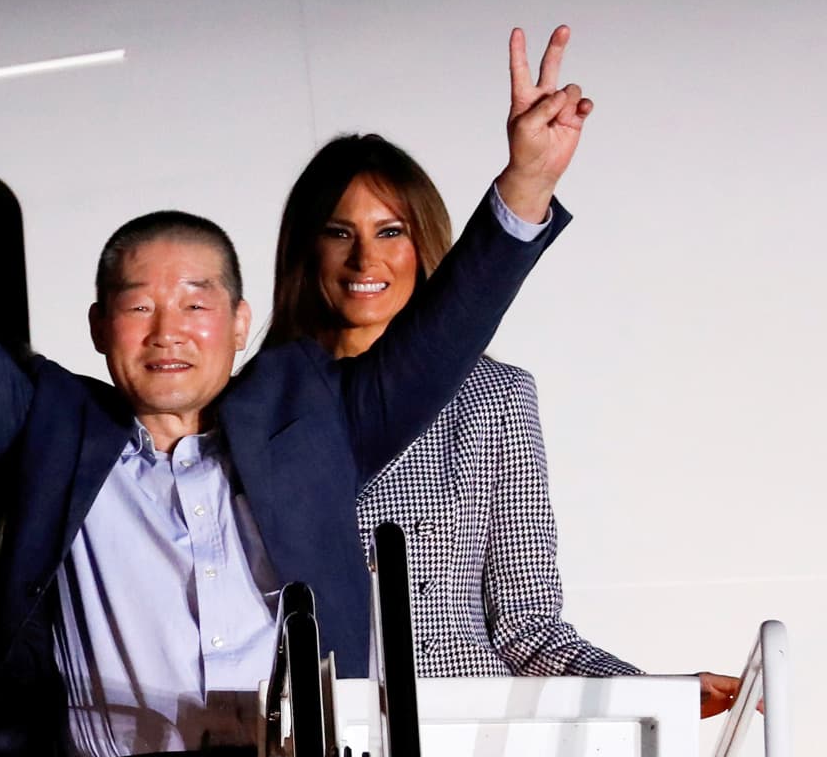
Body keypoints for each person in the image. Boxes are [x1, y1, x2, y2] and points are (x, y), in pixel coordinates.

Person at [0, 28, 590, 757]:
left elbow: (445, 333)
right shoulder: (50, 429)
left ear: (241, 321)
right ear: (100, 326)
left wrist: (524, 184)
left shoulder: (311, 417)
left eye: (196, 304)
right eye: (140, 305)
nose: (168, 331)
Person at [265, 130, 742, 716]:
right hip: (312, 749)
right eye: (340, 232)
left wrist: (646, 691)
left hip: (467, 745)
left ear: (424, 245)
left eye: (391, 231)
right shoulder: (252, 412)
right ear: (305, 250)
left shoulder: (495, 398)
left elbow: (526, 623)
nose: (366, 259)